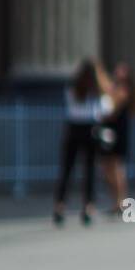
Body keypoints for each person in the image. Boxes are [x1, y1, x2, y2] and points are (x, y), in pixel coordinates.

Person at [52, 59, 114, 227]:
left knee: (67, 169)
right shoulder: (98, 91)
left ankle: (59, 206)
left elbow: (69, 106)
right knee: (90, 170)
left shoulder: (73, 89)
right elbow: (106, 109)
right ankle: (88, 207)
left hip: (73, 128)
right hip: (91, 129)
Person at [101, 63, 135, 215]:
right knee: (107, 167)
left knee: (116, 167)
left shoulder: (124, 90)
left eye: (122, 69)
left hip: (118, 131)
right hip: (110, 130)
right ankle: (117, 202)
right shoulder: (116, 88)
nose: (117, 71)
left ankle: (122, 203)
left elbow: (112, 108)